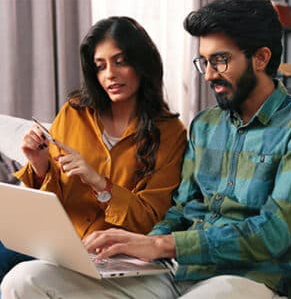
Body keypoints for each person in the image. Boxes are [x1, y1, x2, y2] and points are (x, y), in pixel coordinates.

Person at [2, 0, 291, 298]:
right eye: (204, 62)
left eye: (220, 61)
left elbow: (273, 233)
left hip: (249, 275)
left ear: (261, 58)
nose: (208, 74)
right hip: (175, 269)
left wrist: (160, 244)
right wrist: (136, 252)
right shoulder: (206, 125)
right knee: (25, 279)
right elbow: (181, 209)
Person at [0, 16, 187, 284]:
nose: (110, 74)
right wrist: (40, 167)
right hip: (56, 243)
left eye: (120, 61)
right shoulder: (75, 112)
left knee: (21, 280)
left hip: (110, 256)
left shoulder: (170, 133)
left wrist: (99, 183)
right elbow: (51, 203)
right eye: (100, 66)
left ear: (142, 63)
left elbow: (149, 219)